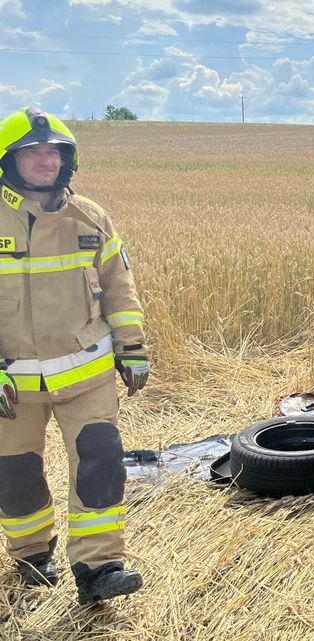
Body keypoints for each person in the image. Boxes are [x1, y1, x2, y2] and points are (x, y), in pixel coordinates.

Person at [0, 107, 149, 605]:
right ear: (9, 160)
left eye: (54, 151)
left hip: (87, 375)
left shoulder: (91, 216)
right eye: (32, 151)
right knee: (15, 472)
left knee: (101, 462)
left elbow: (119, 288)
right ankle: (31, 557)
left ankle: (100, 567)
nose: (45, 160)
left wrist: (132, 350)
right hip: (11, 386)